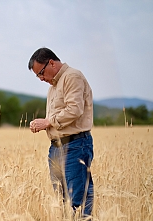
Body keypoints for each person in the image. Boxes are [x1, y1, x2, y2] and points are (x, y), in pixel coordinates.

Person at [28, 48, 94, 219]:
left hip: (75, 146)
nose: (41, 79)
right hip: (56, 148)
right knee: (63, 202)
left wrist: (48, 122)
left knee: (77, 201)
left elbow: (75, 109)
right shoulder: (53, 87)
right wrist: (43, 124)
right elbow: (58, 117)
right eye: (38, 76)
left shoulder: (72, 77)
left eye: (41, 73)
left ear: (51, 62)